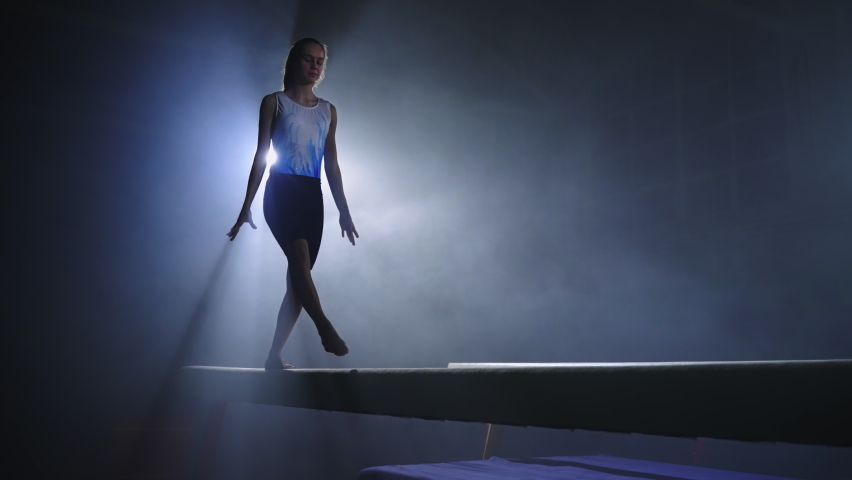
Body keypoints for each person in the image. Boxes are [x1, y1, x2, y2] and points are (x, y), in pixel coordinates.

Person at [227, 38, 357, 369]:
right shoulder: (274, 102)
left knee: (299, 282)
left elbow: (332, 165)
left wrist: (344, 210)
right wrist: (246, 205)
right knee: (299, 256)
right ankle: (324, 327)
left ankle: (274, 356)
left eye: (319, 61)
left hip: (313, 194)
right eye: (307, 60)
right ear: (293, 62)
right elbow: (261, 155)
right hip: (281, 189)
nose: (314, 66)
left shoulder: (329, 111)